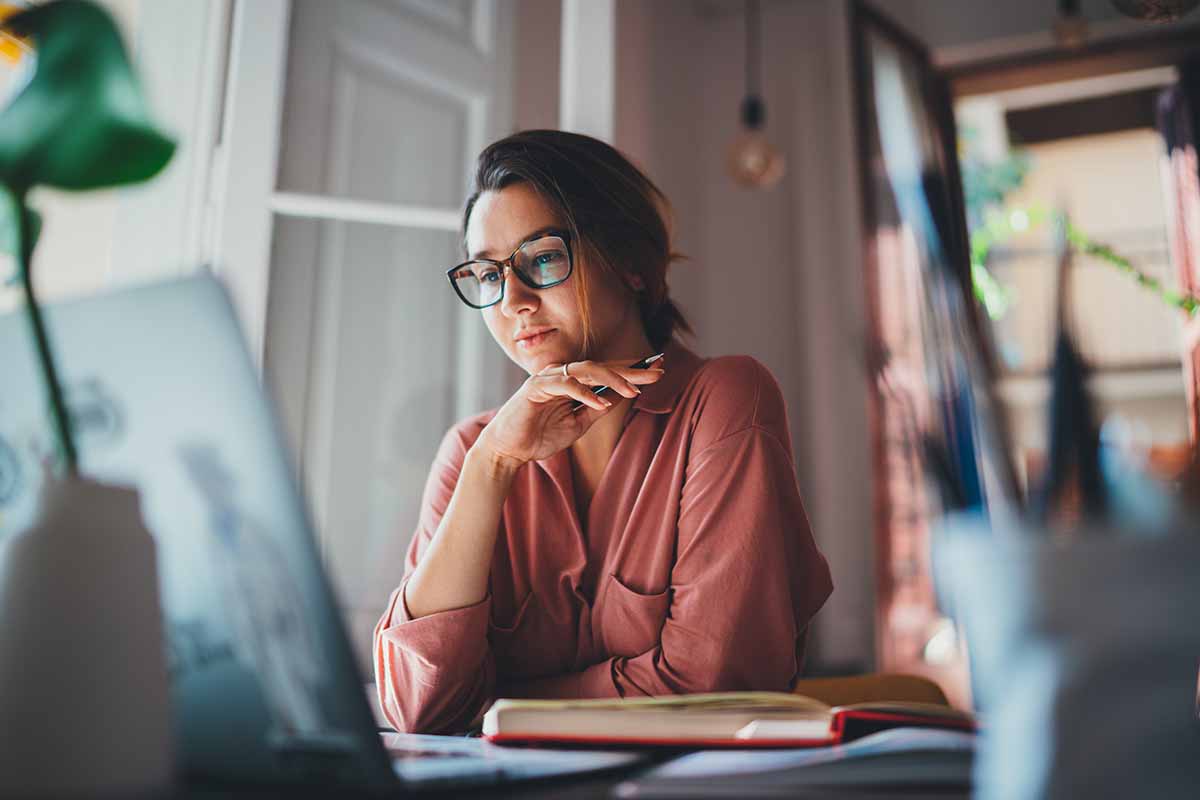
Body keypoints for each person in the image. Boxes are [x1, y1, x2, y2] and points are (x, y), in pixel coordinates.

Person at [374, 130, 832, 734]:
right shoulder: (472, 451)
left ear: (631, 264)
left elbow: (714, 689)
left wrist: (496, 705)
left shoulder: (722, 402)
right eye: (488, 275)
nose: (511, 300)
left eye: (541, 258)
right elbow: (416, 709)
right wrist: (491, 468)